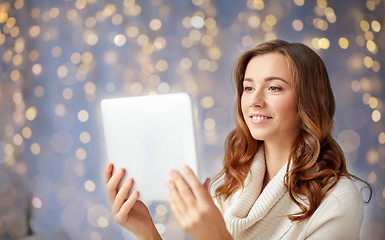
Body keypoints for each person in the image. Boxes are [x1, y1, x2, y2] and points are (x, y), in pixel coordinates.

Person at [103, 39, 371, 240]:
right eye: (248, 87)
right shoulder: (228, 186)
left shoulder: (337, 200)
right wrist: (147, 232)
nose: (254, 100)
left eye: (274, 87)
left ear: (308, 101)